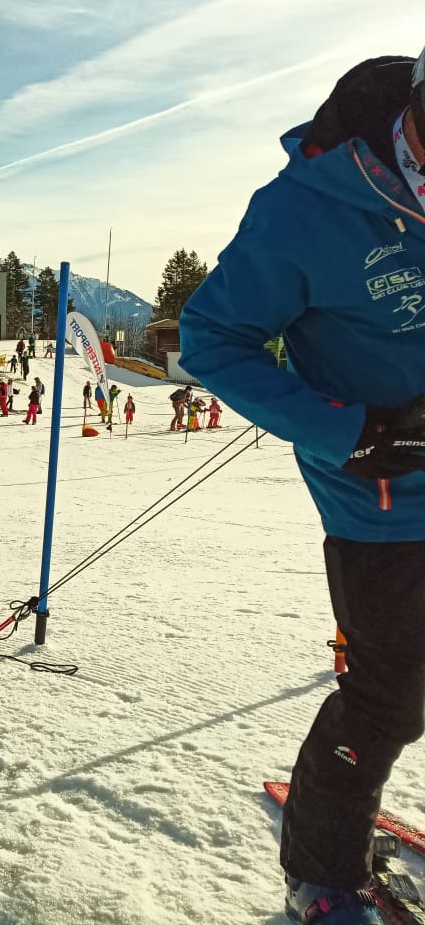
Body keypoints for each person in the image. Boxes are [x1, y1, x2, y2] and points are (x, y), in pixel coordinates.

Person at [179, 47, 425, 925]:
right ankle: (324, 874)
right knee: (391, 699)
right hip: (389, 508)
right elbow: (211, 341)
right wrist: (352, 431)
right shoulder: (308, 208)